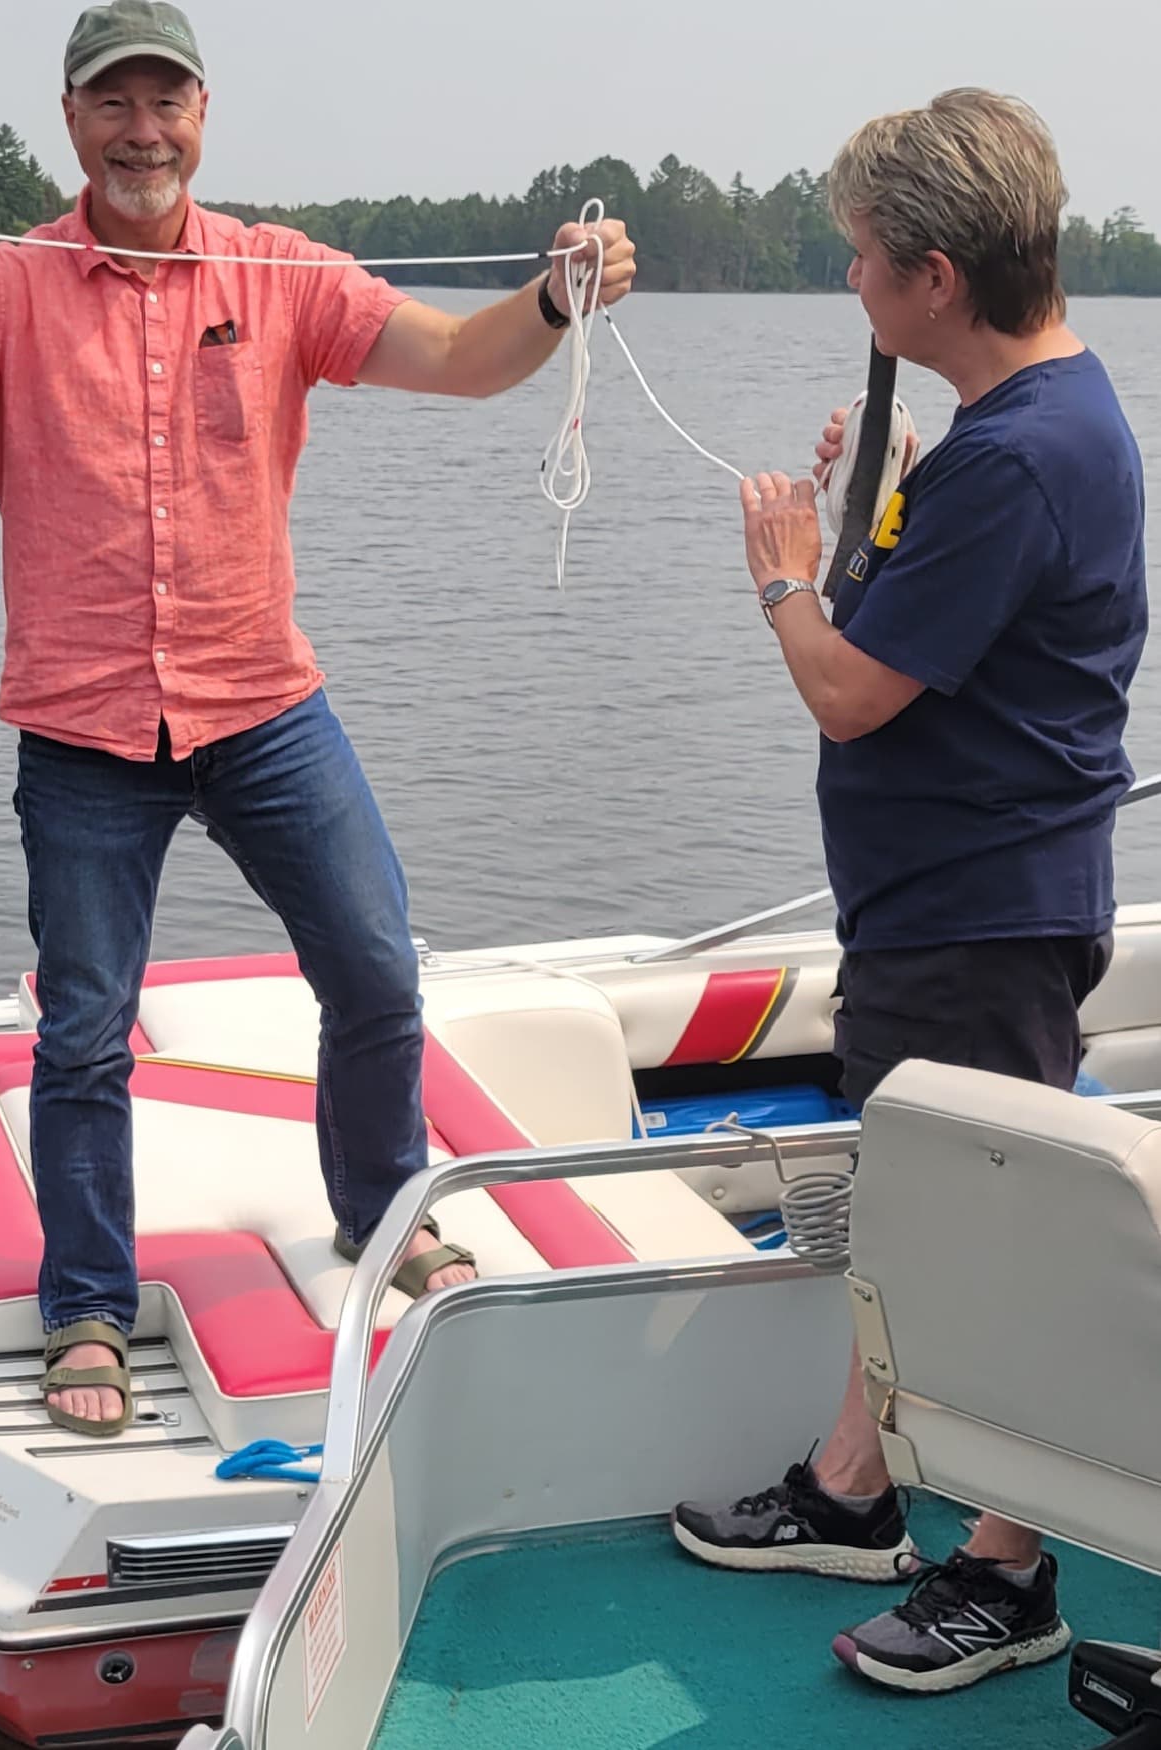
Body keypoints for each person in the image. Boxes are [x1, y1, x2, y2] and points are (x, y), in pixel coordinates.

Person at [0, 0, 636, 1437]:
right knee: (86, 1032)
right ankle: (87, 1305)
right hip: (84, 726)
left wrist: (553, 298)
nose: (143, 129)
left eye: (166, 101)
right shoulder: (8, 289)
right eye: (116, 103)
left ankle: (379, 1209)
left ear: (204, 115)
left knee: (374, 967)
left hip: (262, 701)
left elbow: (461, 360)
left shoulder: (280, 274)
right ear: (74, 122)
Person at [671, 88, 1147, 1693]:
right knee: (922, 1213)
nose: (853, 284)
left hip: (976, 913)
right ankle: (851, 1489)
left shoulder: (1018, 461)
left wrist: (782, 575)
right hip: (957, 906)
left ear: (937, 276)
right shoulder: (1025, 435)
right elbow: (945, 628)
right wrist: (876, 515)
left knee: (983, 1239)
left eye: (865, 260)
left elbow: (853, 690)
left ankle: (1006, 1574)